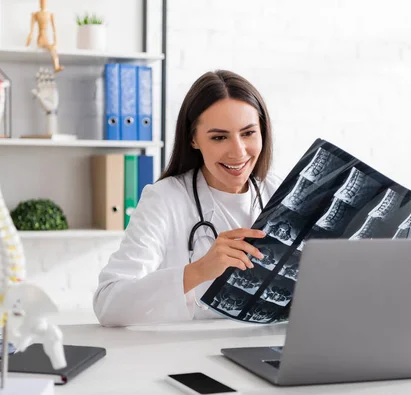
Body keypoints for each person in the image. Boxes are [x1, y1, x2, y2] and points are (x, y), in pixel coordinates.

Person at [93, 70, 283, 327]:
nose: (238, 152)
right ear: (193, 139)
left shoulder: (277, 194)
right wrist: (199, 271)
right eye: (219, 137)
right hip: (192, 355)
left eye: (248, 133)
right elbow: (109, 306)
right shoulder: (164, 200)